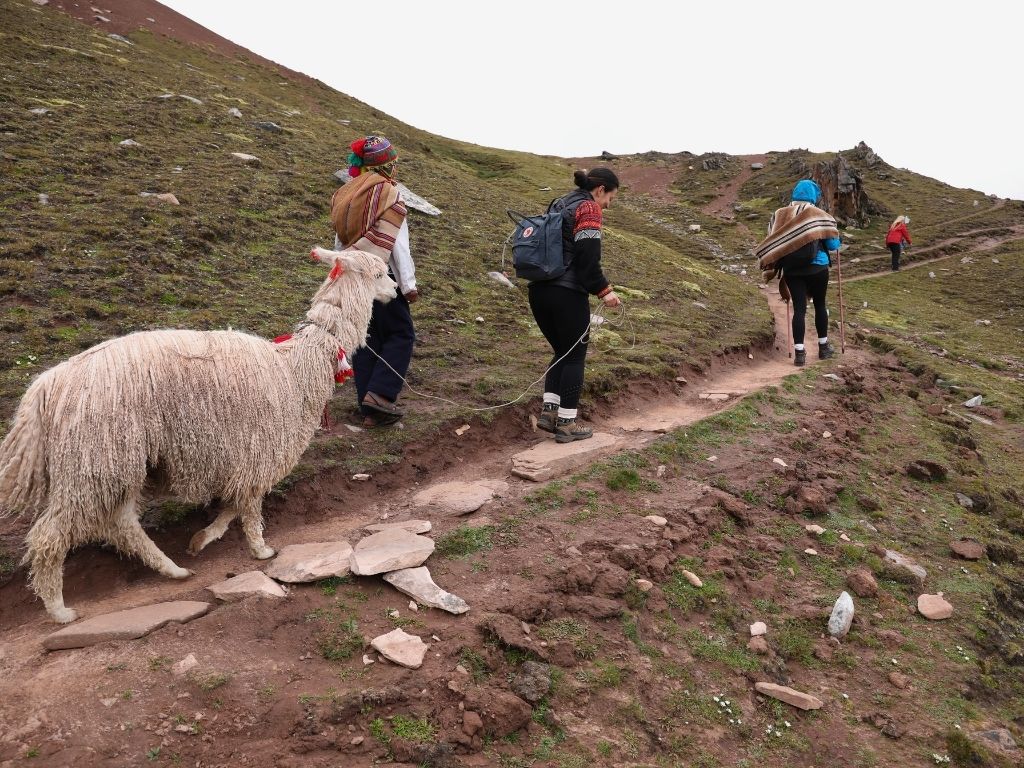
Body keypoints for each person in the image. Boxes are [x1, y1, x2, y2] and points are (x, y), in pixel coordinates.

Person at [330, 135, 417, 427]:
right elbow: (398, 246)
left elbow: (340, 240)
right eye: (393, 163)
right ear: (387, 166)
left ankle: (367, 407)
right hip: (382, 277)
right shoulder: (389, 194)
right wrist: (408, 284)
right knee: (401, 333)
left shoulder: (347, 193)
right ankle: (379, 396)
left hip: (353, 275)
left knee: (366, 338)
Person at [530, 168, 622, 443]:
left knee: (561, 350)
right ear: (600, 189)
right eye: (611, 198)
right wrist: (604, 291)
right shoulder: (589, 209)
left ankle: (549, 413)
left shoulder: (560, 203)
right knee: (575, 355)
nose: (608, 205)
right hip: (566, 292)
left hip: (538, 290)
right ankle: (568, 424)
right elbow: (587, 259)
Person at [758, 179, 842, 366]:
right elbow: (833, 244)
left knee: (799, 309)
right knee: (820, 304)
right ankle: (823, 348)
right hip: (818, 268)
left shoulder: (779, 214)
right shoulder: (818, 214)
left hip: (792, 270)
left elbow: (773, 241)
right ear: (814, 195)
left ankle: (799, 353)